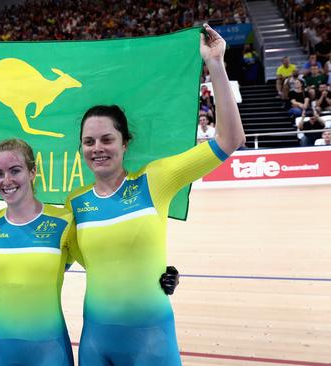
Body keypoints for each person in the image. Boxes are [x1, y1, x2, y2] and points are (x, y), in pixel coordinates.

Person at [65, 24, 245, 365]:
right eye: (89, 141)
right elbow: (51, 262)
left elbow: (228, 140)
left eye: (107, 139)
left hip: (152, 342)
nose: (97, 148)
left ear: (125, 143)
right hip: (94, 344)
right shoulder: (76, 201)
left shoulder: (155, 180)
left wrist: (216, 64)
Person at [0, 139, 80, 366]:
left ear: (32, 172)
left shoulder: (63, 221)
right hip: (0, 349)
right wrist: (1, 291)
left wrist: (157, 275)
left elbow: (100, 264)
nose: (6, 181)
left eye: (15, 170)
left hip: (50, 350)